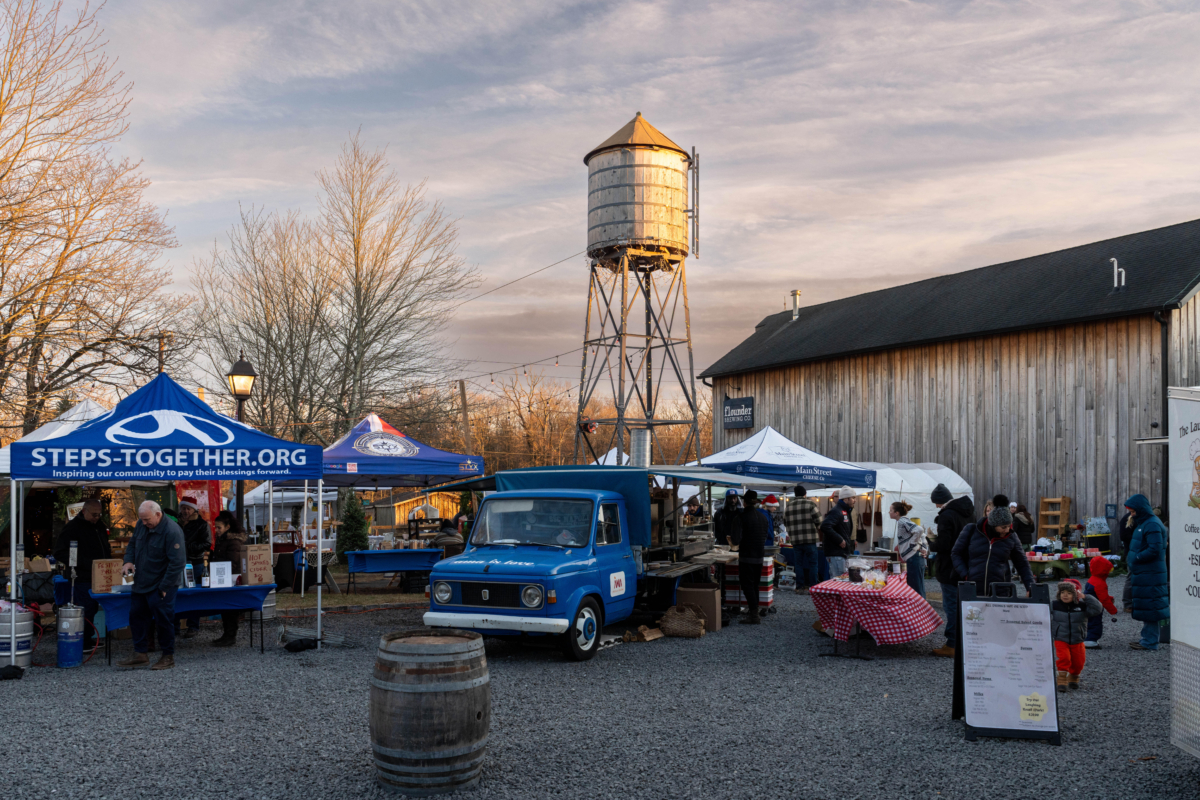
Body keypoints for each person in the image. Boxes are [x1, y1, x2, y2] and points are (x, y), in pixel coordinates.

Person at [117, 501, 185, 670]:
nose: (144, 523)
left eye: (147, 519)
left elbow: (177, 563)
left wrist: (164, 587)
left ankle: (168, 656)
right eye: (142, 519)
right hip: (141, 581)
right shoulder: (141, 524)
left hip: (162, 584)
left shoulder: (172, 531)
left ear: (158, 514)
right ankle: (140, 653)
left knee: (163, 619)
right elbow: (132, 544)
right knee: (136, 616)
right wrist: (128, 561)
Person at [53, 498, 111, 651]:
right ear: (84, 511)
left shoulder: (99, 526)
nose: (96, 517)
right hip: (82, 576)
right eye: (94, 514)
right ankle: (82, 641)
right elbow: (59, 552)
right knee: (85, 608)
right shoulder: (72, 527)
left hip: (99, 574)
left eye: (99, 514)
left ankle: (88, 638)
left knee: (93, 608)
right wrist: (83, 563)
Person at [929, 483, 975, 658]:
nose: (936, 507)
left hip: (949, 566)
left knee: (951, 606)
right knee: (965, 605)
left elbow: (945, 544)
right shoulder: (968, 512)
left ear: (940, 501)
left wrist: (930, 542)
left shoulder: (947, 515)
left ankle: (952, 644)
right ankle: (965, 642)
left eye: (936, 503)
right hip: (966, 564)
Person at [951, 507, 1035, 598]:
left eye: (1009, 526)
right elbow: (956, 553)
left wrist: (1030, 586)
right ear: (993, 525)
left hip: (1001, 591)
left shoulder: (1011, 537)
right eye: (1003, 527)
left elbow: (1022, 563)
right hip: (973, 588)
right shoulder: (971, 530)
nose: (1007, 530)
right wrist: (965, 574)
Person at [1124, 494, 1168, 651]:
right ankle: (1147, 639)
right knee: (1149, 605)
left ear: (1140, 509)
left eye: (1133, 511)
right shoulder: (1147, 523)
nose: (1131, 515)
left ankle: (1150, 641)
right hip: (1147, 572)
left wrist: (1136, 557)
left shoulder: (1151, 524)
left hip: (1150, 573)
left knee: (1151, 606)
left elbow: (1154, 549)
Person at [1052, 578, 1103, 691]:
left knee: (1078, 662)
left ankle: (1073, 678)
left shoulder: (1082, 606)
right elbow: (1040, 612)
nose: (1065, 595)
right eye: (1062, 592)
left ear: (1076, 594)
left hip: (1078, 639)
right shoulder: (1055, 605)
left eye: (1069, 593)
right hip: (1061, 638)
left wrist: (1086, 597)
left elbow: (1098, 609)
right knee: (1064, 658)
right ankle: (1062, 681)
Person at [732, 490, 770, 624]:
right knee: (755, 585)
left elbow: (735, 540)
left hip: (746, 556)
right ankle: (754, 611)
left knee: (747, 585)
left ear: (744, 502)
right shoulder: (763, 517)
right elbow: (765, 536)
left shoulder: (740, 517)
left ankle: (754, 615)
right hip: (759, 555)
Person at [210, 510, 247, 647]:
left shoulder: (233, 541)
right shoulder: (224, 539)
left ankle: (230, 636)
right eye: (216, 527)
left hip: (230, 578)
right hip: (224, 577)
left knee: (230, 609)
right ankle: (227, 634)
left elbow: (233, 562)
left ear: (228, 527)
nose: (216, 530)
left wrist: (218, 570)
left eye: (219, 527)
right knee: (226, 608)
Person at [177, 497, 211, 638]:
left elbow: (207, 543)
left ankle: (193, 626)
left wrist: (188, 547)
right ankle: (175, 626)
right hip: (178, 563)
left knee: (193, 595)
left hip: (195, 563)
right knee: (177, 594)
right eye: (183, 508)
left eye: (188, 508)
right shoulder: (176, 523)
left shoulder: (201, 524)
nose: (185, 511)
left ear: (194, 510)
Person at [783, 486, 821, 594]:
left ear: (795, 494)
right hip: (810, 539)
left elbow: (785, 522)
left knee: (798, 564)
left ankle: (800, 587)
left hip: (796, 540)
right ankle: (812, 587)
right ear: (805, 494)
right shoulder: (811, 504)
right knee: (813, 564)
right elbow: (819, 520)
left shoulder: (788, 506)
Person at [890, 501, 927, 598]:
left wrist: (913, 544)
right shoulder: (905, 521)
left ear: (897, 513)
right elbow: (923, 535)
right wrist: (924, 548)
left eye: (891, 510)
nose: (889, 512)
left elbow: (919, 530)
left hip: (913, 558)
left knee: (915, 589)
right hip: (916, 557)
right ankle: (921, 606)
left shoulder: (902, 521)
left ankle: (919, 607)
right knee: (919, 587)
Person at [819, 487, 856, 578]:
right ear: (846, 499)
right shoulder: (837, 511)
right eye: (853, 498)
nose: (855, 500)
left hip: (841, 553)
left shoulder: (845, 510)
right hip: (836, 553)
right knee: (838, 579)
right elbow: (825, 526)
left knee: (842, 579)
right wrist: (839, 540)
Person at [1083, 556, 1119, 649]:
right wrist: (1113, 610)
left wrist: (1109, 598)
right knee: (1095, 623)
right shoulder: (1100, 583)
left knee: (1089, 622)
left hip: (1089, 604)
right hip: (1095, 607)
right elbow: (1103, 599)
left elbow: (1096, 594)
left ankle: (1086, 638)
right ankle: (1090, 640)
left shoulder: (1092, 579)